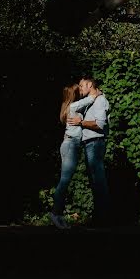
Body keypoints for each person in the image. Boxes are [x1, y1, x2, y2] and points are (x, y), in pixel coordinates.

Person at [49, 83, 95, 229]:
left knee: (65, 181)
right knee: (64, 181)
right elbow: (92, 98)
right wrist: (95, 91)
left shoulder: (70, 106)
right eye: (79, 89)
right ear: (74, 94)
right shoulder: (74, 106)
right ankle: (55, 214)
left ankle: (59, 214)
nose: (82, 91)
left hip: (69, 144)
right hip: (70, 145)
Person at [68, 76, 111, 225]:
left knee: (98, 180)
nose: (80, 89)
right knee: (95, 180)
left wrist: (81, 122)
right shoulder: (93, 100)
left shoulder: (100, 101)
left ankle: (103, 218)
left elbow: (99, 124)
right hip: (90, 143)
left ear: (90, 84)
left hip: (95, 143)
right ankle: (100, 217)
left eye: (81, 86)